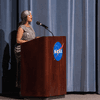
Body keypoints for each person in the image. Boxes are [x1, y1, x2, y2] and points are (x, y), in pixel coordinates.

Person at [14, 10, 39, 89]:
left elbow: (31, 39)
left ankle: (30, 88)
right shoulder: (21, 27)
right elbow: (18, 40)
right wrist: (29, 42)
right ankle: (22, 88)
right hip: (21, 51)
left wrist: (36, 39)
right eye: (29, 15)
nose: (31, 16)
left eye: (31, 15)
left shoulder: (30, 27)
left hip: (30, 50)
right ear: (25, 17)